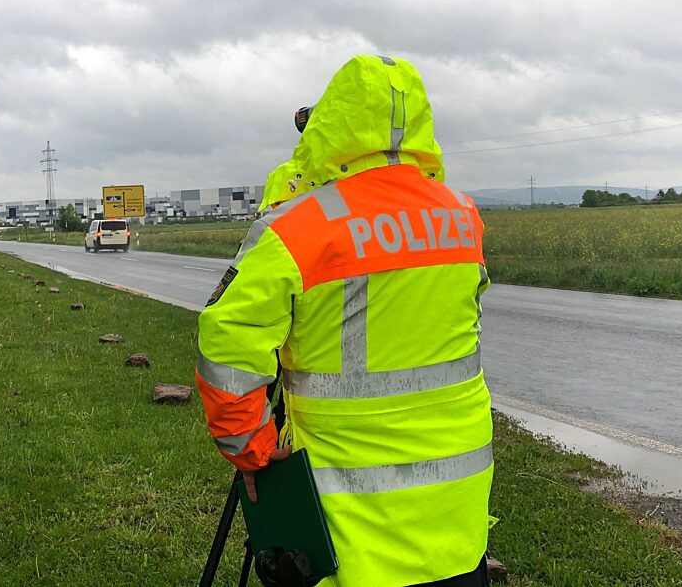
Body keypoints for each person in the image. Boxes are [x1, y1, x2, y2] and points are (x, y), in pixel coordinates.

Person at [196, 55, 493, 587]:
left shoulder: (298, 226)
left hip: (348, 523)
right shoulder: (462, 216)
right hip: (455, 515)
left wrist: (253, 452)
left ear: (333, 123)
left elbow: (227, 344)